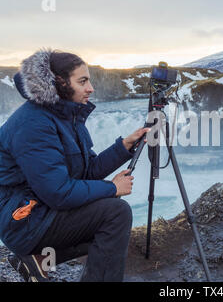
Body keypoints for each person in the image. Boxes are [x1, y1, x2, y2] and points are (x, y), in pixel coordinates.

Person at [0, 49, 150, 282]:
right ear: (59, 83)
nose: (90, 88)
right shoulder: (33, 124)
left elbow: (85, 171)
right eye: (83, 81)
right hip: (24, 221)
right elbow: (58, 193)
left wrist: (123, 148)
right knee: (114, 212)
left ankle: (37, 259)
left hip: (42, 211)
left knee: (107, 207)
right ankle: (36, 254)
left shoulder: (65, 116)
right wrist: (112, 187)